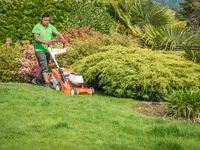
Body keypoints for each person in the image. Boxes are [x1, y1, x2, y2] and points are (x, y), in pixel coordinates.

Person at [32, 12, 67, 87]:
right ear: (41, 19)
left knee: (44, 65)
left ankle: (37, 79)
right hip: (39, 49)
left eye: (48, 20)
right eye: (45, 20)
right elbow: (36, 38)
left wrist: (63, 39)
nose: (47, 22)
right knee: (44, 65)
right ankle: (47, 82)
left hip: (48, 49)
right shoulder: (37, 27)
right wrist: (45, 42)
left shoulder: (50, 26)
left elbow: (57, 33)